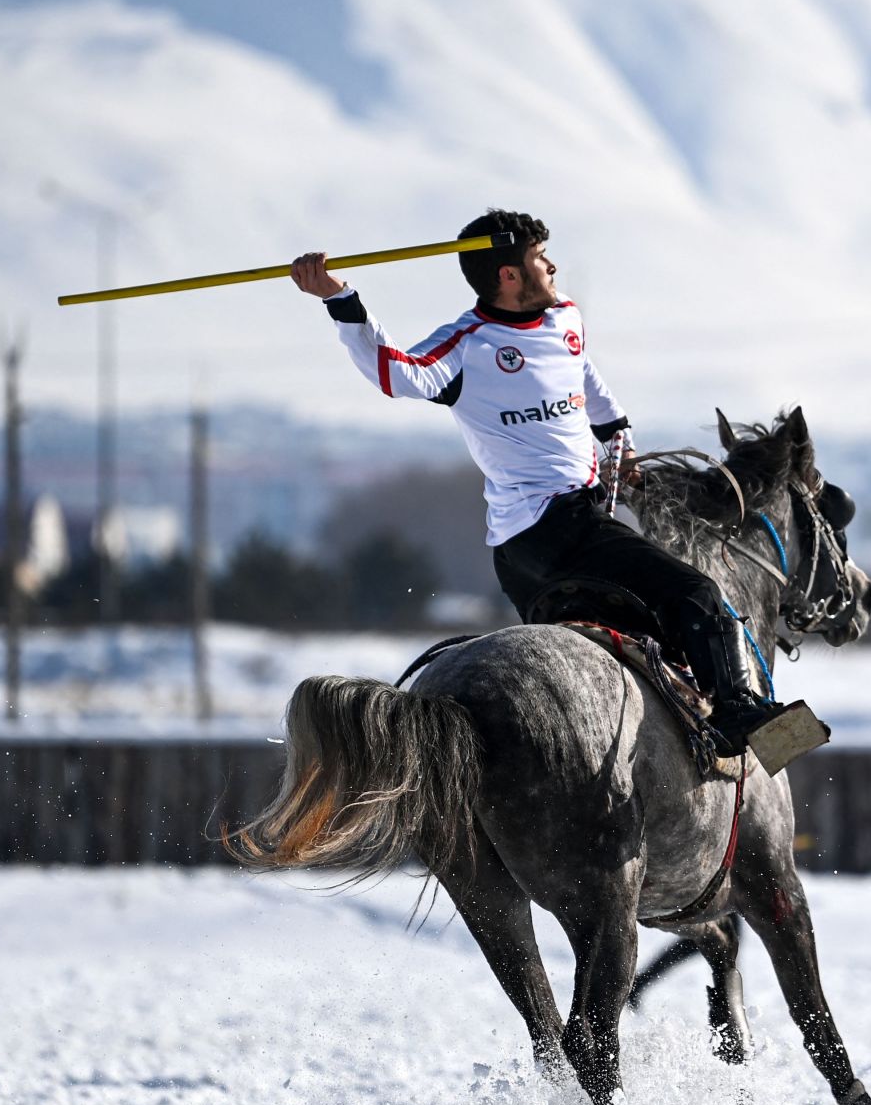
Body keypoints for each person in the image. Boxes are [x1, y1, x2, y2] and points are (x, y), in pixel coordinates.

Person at [289, 208, 784, 756]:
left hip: (537, 541)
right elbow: (393, 372)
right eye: (540, 258)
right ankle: (743, 719)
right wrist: (339, 297)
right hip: (555, 531)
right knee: (696, 592)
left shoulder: (566, 320)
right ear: (508, 275)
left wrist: (619, 439)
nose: (552, 266)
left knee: (649, 644)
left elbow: (586, 381)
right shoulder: (465, 344)